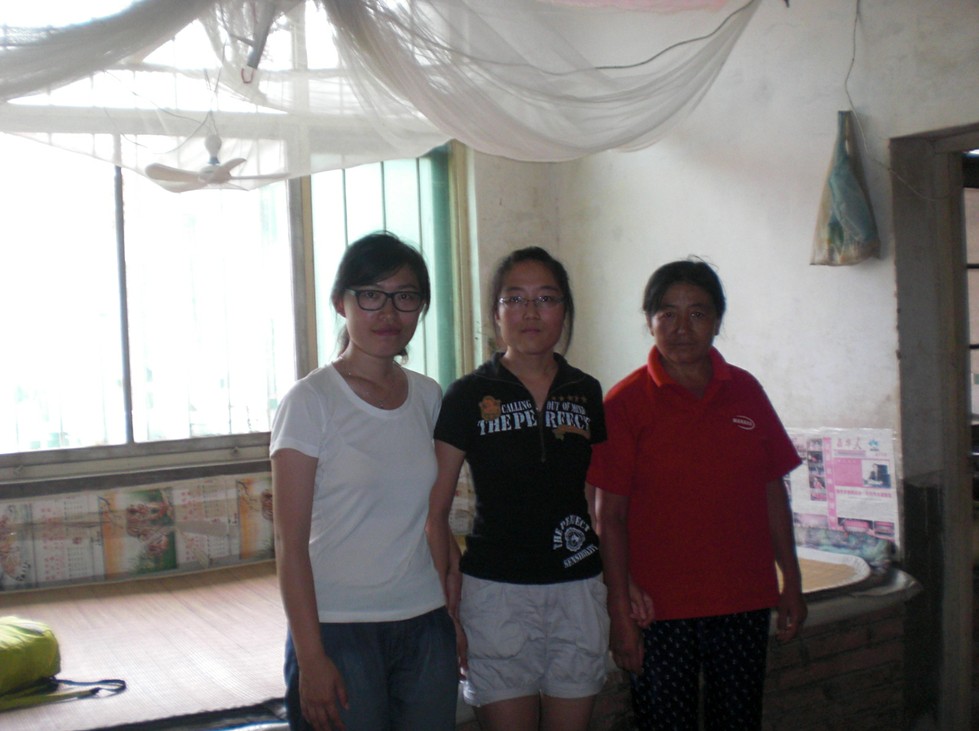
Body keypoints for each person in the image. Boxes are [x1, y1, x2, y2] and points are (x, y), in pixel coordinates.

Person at [588, 258, 806, 731]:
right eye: (667, 313)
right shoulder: (624, 403)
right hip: (658, 612)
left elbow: (772, 491)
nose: (681, 328)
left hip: (743, 600)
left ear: (718, 320)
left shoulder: (746, 391)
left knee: (739, 722)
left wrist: (791, 579)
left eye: (697, 313)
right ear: (649, 321)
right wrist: (619, 609)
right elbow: (609, 518)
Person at [270, 232, 457, 731]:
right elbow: (289, 542)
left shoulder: (428, 396)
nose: (389, 312)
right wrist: (311, 657)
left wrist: (451, 616)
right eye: (371, 295)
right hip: (338, 628)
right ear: (341, 303)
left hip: (424, 621)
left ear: (421, 307)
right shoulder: (310, 401)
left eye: (406, 296)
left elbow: (433, 518)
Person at [427, 246, 609, 731]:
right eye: (515, 299)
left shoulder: (586, 391)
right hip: (494, 593)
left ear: (564, 310)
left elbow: (601, 504)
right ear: (495, 313)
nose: (531, 312)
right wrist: (448, 607)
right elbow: (434, 512)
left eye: (546, 298)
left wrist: (618, 586)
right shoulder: (468, 394)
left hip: (577, 587)